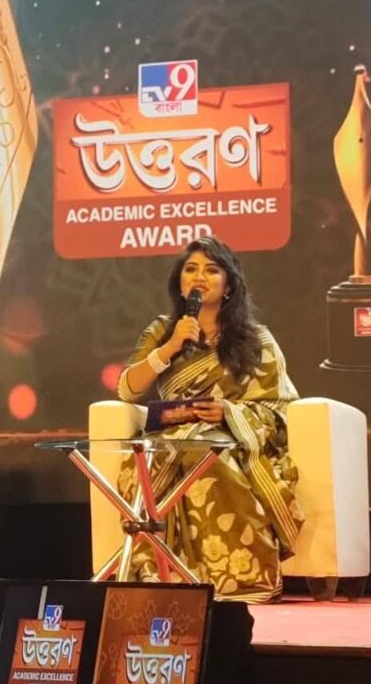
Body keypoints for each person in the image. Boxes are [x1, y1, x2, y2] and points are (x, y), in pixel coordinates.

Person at [117, 236, 303, 602]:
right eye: (191, 269)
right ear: (179, 282)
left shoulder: (256, 339)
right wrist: (170, 348)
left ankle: (239, 581)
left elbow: (279, 409)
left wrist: (228, 413)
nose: (199, 277)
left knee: (209, 460)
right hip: (169, 440)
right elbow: (128, 389)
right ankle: (167, 577)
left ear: (229, 284)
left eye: (211, 270)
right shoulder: (162, 331)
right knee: (146, 464)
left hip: (231, 439)